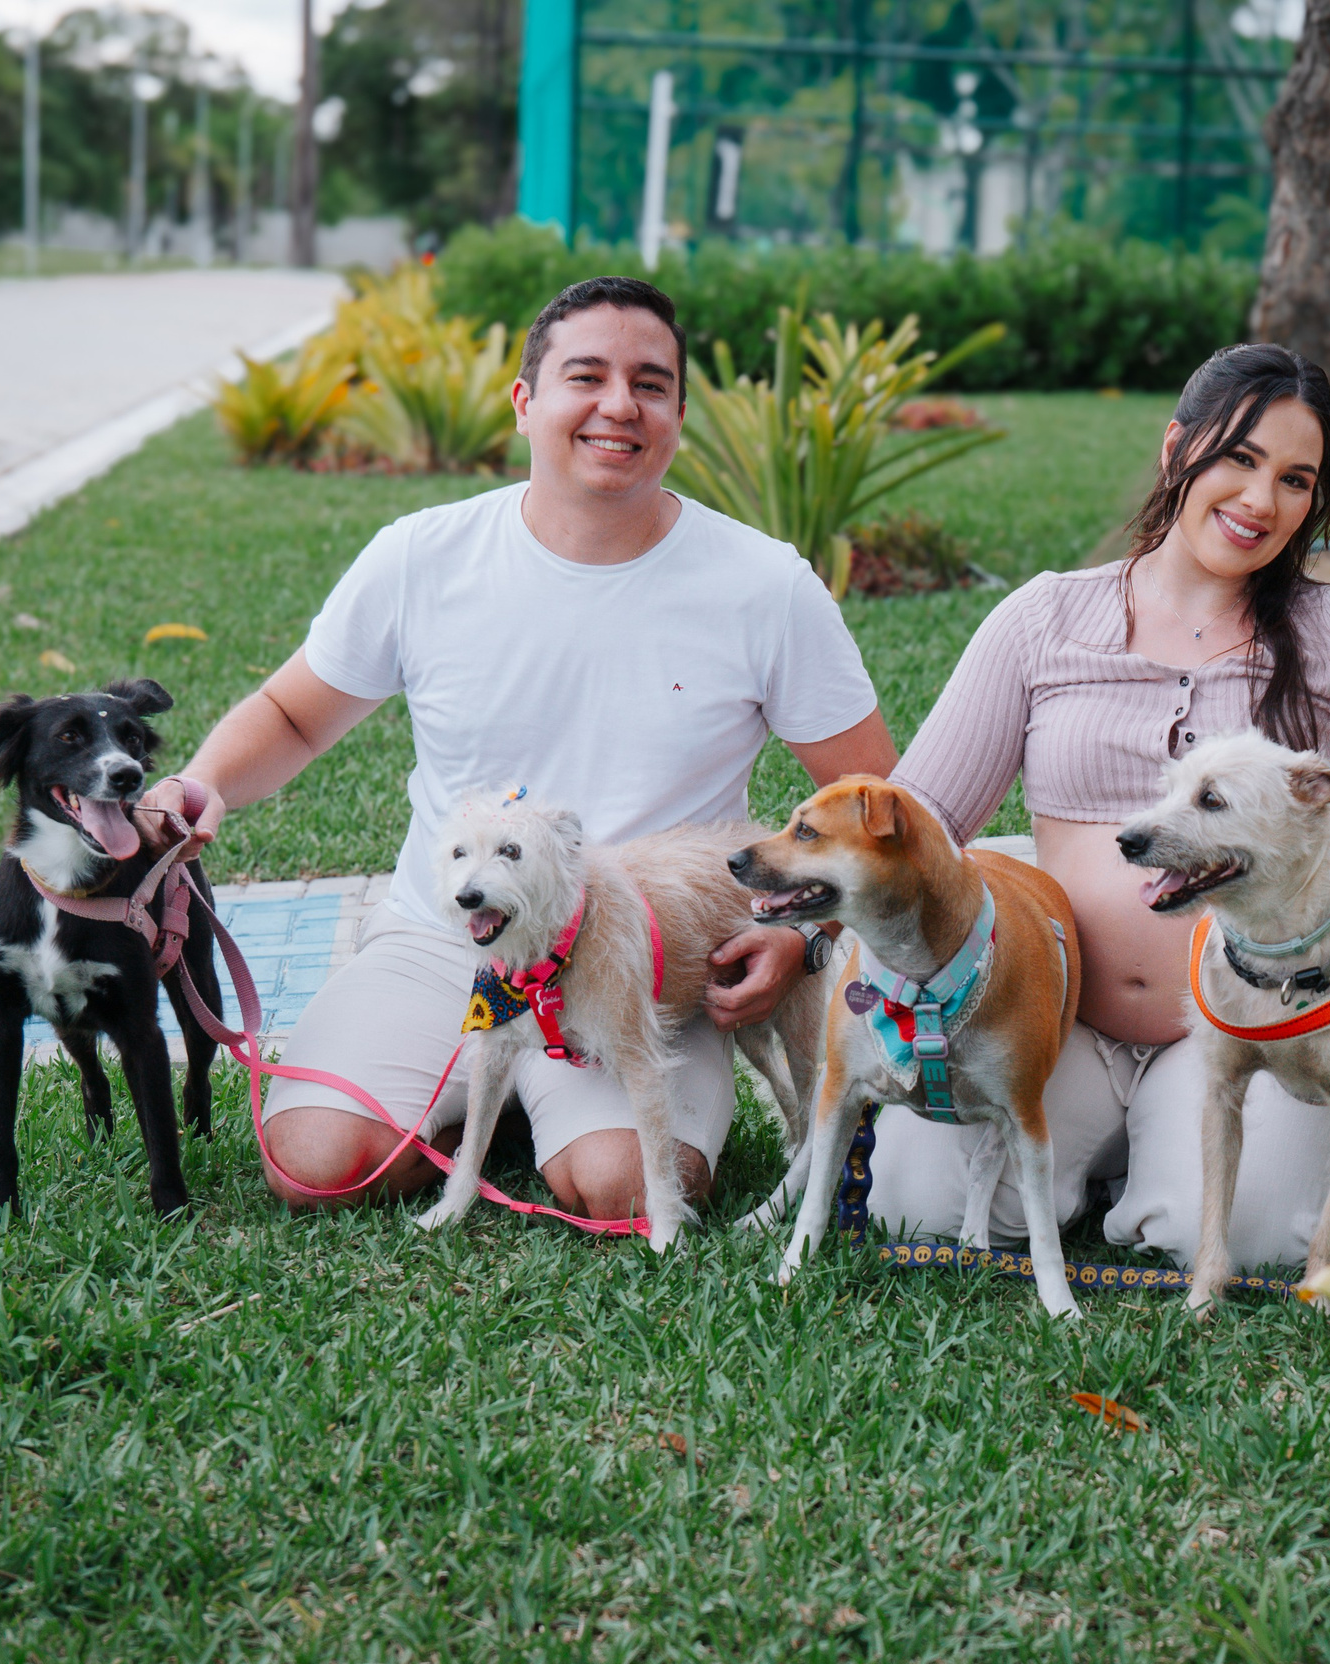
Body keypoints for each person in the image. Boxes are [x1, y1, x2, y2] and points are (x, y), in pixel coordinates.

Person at [137, 276, 897, 1220]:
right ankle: (476, 1095)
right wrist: (202, 778)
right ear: (526, 402)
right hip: (446, 938)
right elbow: (294, 715)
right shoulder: (423, 556)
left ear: (679, 415)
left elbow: (878, 810)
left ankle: (548, 1112)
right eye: (587, 376)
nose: (620, 405)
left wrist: (797, 932)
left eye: (651, 384)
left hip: (640, 955)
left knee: (624, 1196)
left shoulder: (764, 585)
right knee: (315, 1166)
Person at [870, 343, 1330, 1268]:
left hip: (1271, 1032)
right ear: (1177, 449)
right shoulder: (1044, 621)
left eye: (1294, 478)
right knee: (917, 1210)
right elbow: (915, 819)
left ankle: (1173, 1166)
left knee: (1251, 1240)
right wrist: (812, 933)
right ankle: (1124, 1157)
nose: (1259, 501)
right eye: (1239, 459)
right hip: (1054, 1018)